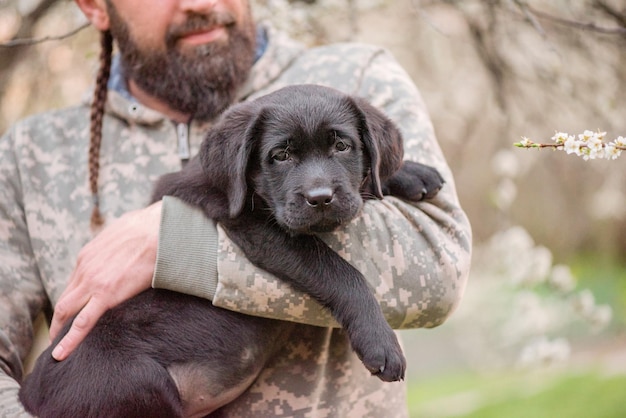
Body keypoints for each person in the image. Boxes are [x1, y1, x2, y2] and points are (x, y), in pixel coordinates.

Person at [0, 0, 472, 416]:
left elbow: (441, 267)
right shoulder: (32, 151)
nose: (199, 2)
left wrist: (176, 244)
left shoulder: (357, 73)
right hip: (111, 377)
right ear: (95, 6)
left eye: (341, 149)